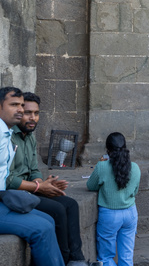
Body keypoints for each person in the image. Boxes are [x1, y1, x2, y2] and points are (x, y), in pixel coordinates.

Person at [7, 91, 89, 265]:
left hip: (30, 189)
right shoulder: (8, 137)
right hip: (14, 194)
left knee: (70, 204)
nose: (33, 118)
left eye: (36, 114)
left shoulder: (30, 137)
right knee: (57, 210)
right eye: (28, 113)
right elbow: (8, 179)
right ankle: (64, 259)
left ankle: (77, 259)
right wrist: (38, 187)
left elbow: (35, 169)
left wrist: (44, 183)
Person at [0, 86, 64, 266]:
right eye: (14, 105)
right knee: (41, 228)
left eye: (21, 105)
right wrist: (37, 187)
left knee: (48, 220)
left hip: (4, 197)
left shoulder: (7, 133)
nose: (20, 110)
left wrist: (40, 183)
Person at [87, 132, 140, 266]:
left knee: (105, 257)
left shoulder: (102, 166)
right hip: (130, 213)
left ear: (107, 149)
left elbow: (91, 185)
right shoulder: (135, 167)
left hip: (109, 215)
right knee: (127, 256)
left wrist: (101, 165)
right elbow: (135, 191)